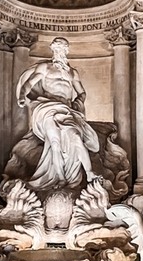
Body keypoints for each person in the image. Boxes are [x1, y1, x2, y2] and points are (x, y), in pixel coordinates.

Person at [14, 37, 99, 191]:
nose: (61, 51)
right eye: (58, 48)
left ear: (67, 50)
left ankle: (89, 172)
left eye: (63, 48)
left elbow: (81, 92)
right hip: (47, 108)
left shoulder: (73, 73)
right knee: (54, 142)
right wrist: (22, 96)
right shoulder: (45, 68)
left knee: (75, 137)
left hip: (66, 110)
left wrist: (78, 103)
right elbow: (29, 84)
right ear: (53, 50)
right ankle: (59, 177)